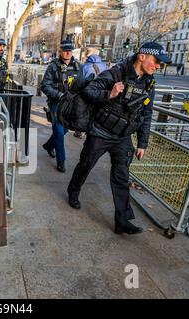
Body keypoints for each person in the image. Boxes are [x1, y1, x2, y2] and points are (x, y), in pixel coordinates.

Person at [67, 42, 171, 235]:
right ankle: (73, 191)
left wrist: (142, 143)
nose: (157, 66)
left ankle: (122, 221)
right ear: (142, 56)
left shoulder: (149, 82)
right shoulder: (115, 73)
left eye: (160, 64)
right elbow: (88, 91)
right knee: (86, 164)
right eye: (156, 61)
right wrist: (110, 93)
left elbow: (146, 114)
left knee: (121, 177)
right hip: (100, 131)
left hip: (123, 136)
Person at [41, 39, 86, 172]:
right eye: (65, 51)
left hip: (71, 104)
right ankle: (61, 161)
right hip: (57, 104)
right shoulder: (53, 67)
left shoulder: (79, 66)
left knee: (65, 129)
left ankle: (49, 146)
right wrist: (59, 94)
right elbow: (45, 85)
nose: (67, 53)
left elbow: (82, 84)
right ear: (60, 51)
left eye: (69, 51)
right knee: (59, 132)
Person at [74, 48, 109, 139]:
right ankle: (92, 132)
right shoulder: (104, 66)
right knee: (95, 112)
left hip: (87, 92)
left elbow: (80, 81)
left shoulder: (84, 66)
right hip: (100, 93)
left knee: (83, 111)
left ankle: (79, 131)